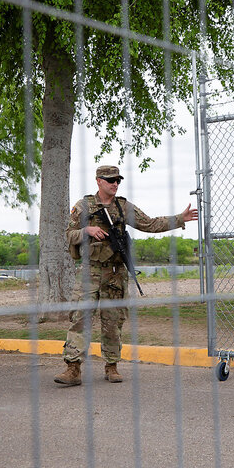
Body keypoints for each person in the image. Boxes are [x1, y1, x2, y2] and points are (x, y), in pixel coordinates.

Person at [55, 165, 198, 385]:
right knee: (79, 319)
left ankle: (111, 366)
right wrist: (87, 231)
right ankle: (73, 369)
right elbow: (68, 235)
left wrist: (180, 218)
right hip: (89, 272)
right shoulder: (83, 207)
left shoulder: (123, 207)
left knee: (113, 321)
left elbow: (150, 224)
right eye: (110, 180)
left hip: (115, 273)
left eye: (118, 180)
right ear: (98, 181)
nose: (115, 184)